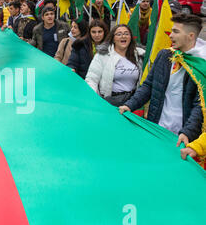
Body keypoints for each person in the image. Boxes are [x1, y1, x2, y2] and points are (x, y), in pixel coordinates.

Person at [119, 14, 205, 145]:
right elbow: (148, 86)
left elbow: (199, 106)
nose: (170, 35)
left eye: (176, 32)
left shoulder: (201, 66)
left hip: (182, 136)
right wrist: (130, 105)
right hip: (157, 128)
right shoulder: (164, 56)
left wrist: (187, 132)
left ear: (191, 36)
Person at [85, 24, 145, 106]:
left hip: (132, 103)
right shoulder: (102, 55)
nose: (123, 36)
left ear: (130, 38)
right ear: (113, 38)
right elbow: (91, 79)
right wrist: (94, 99)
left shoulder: (139, 55)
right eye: (119, 34)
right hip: (110, 103)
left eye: (126, 34)